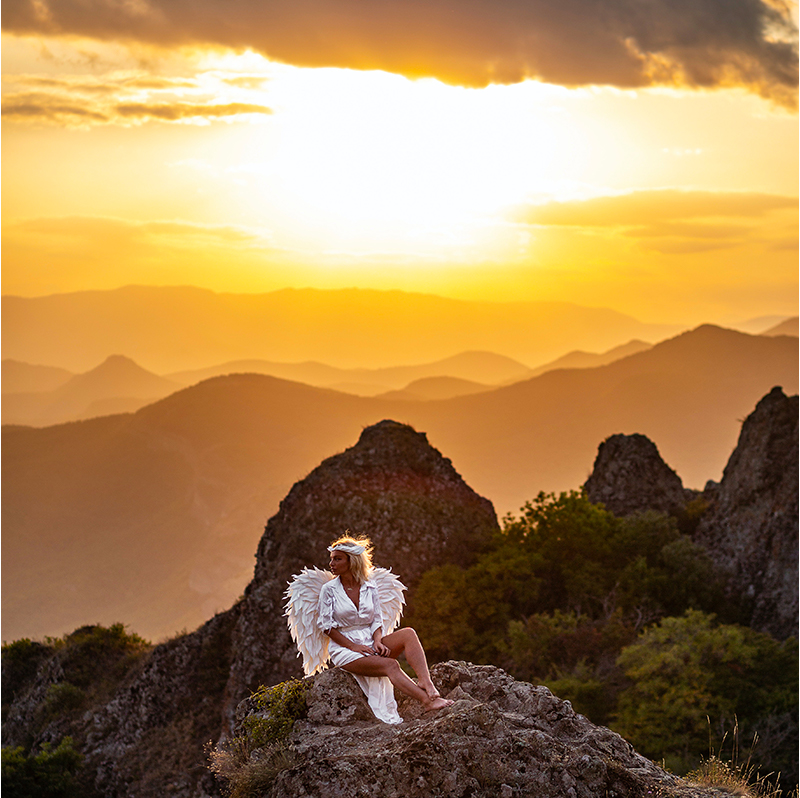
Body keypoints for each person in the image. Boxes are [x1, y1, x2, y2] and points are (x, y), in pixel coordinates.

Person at [285, 535, 452, 724]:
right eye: (331, 558)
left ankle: (426, 682)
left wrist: (378, 640)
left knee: (409, 633)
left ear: (351, 561)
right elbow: (326, 627)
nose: (331, 563)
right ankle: (427, 701)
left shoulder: (369, 586)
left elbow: (376, 620)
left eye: (337, 558)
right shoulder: (329, 589)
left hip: (370, 641)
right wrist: (354, 647)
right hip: (344, 649)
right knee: (391, 665)